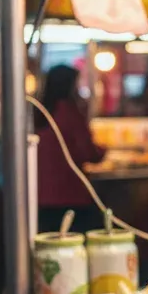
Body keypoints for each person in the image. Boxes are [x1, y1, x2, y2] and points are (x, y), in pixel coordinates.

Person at [35, 65, 105, 235]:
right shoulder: (70, 113)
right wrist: (103, 150)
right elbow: (89, 153)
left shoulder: (40, 112)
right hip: (71, 195)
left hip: (42, 196)